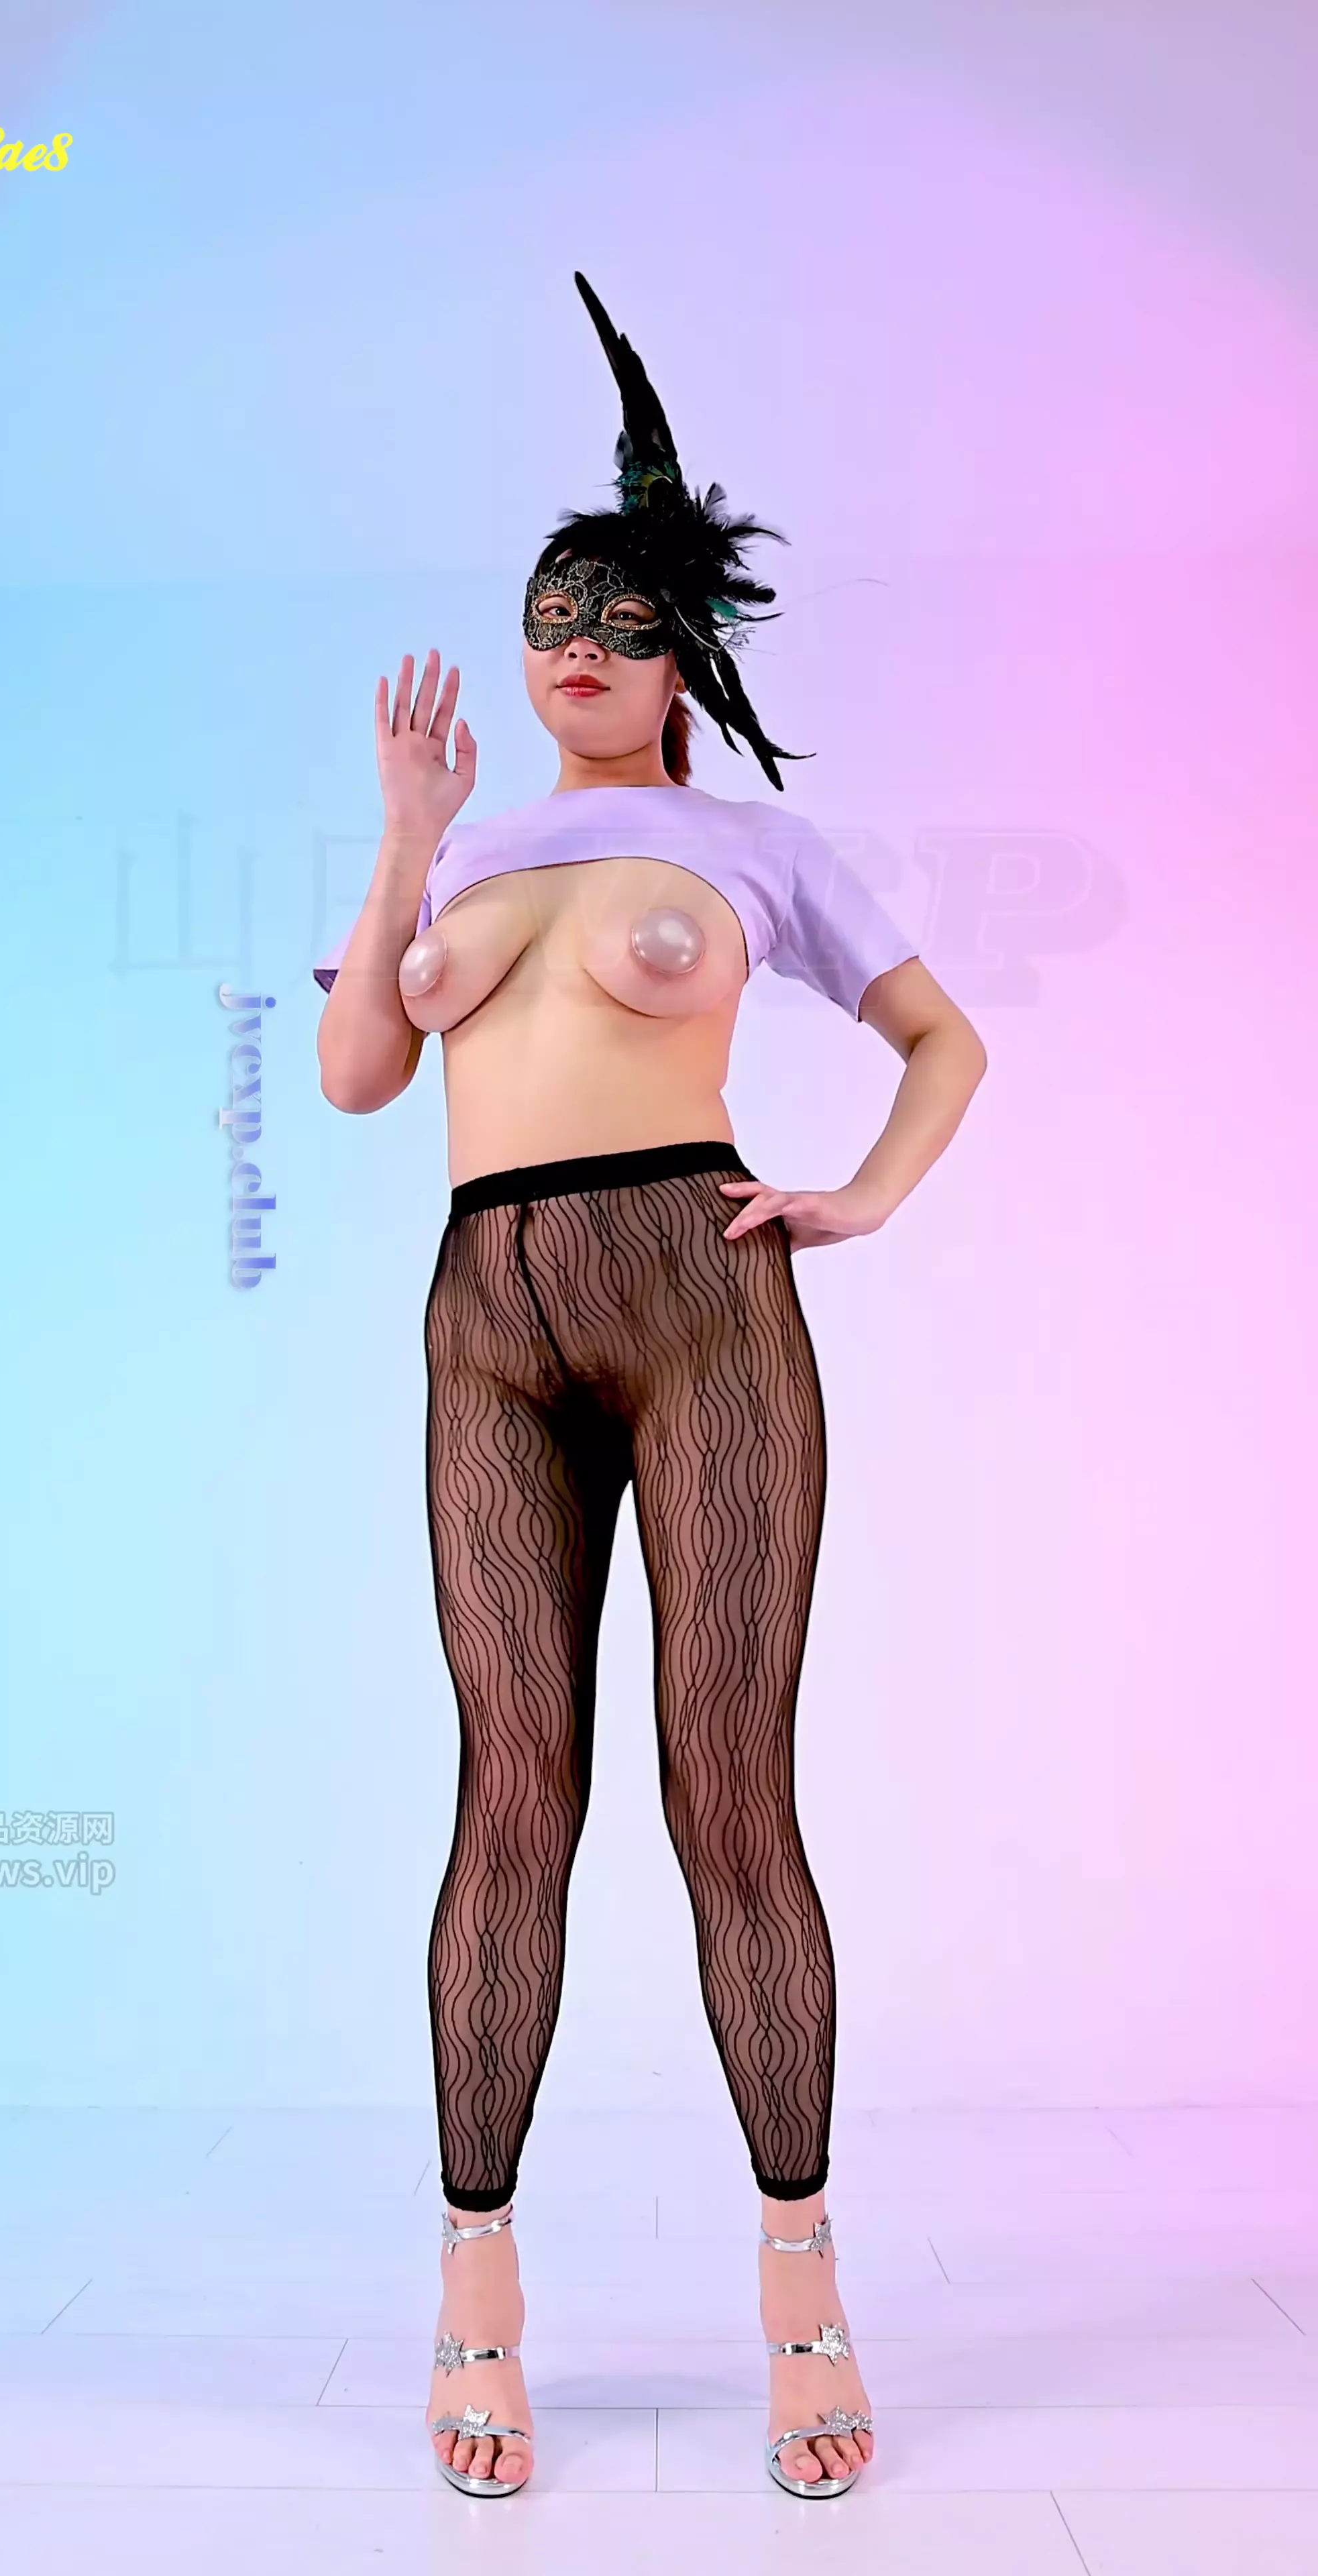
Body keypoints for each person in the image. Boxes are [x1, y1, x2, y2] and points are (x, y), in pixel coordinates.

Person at [315, 275, 987, 2503]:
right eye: (548, 619)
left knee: (728, 1798)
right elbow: (355, 1075)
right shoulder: (469, 848)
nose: (578, 647)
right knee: (512, 1794)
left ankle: (802, 2290)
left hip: (705, 1312)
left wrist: (858, 1196)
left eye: (617, 617)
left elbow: (942, 1040)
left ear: (686, 648)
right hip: (486, 1324)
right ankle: (473, 2292)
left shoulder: (757, 846)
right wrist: (406, 828)